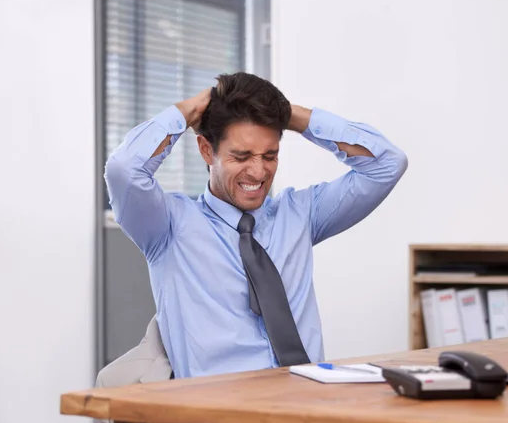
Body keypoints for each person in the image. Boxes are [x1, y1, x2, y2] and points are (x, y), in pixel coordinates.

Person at [104, 71, 407, 378]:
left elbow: (387, 165)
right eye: (242, 156)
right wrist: (188, 112)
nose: (259, 172)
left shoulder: (300, 215)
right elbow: (124, 170)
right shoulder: (167, 227)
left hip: (307, 403)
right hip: (219, 414)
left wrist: (291, 116)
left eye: (270, 155)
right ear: (207, 150)